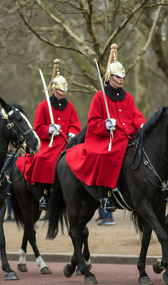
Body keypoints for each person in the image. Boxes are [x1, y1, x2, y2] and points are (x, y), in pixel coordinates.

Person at [65, 44, 146, 212]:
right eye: (117, 76)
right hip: (106, 139)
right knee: (103, 156)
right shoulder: (99, 97)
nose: (121, 79)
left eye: (122, 76)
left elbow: (135, 115)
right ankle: (106, 196)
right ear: (109, 78)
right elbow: (93, 122)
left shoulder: (128, 96)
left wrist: (142, 124)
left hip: (128, 136)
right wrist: (105, 125)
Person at [15, 59, 81, 210]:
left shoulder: (69, 106)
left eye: (65, 91)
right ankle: (44, 194)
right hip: (48, 143)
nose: (63, 93)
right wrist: (49, 130)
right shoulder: (43, 106)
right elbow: (37, 129)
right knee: (43, 158)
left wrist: (72, 132)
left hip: (65, 142)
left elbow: (75, 124)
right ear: (53, 90)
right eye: (60, 91)